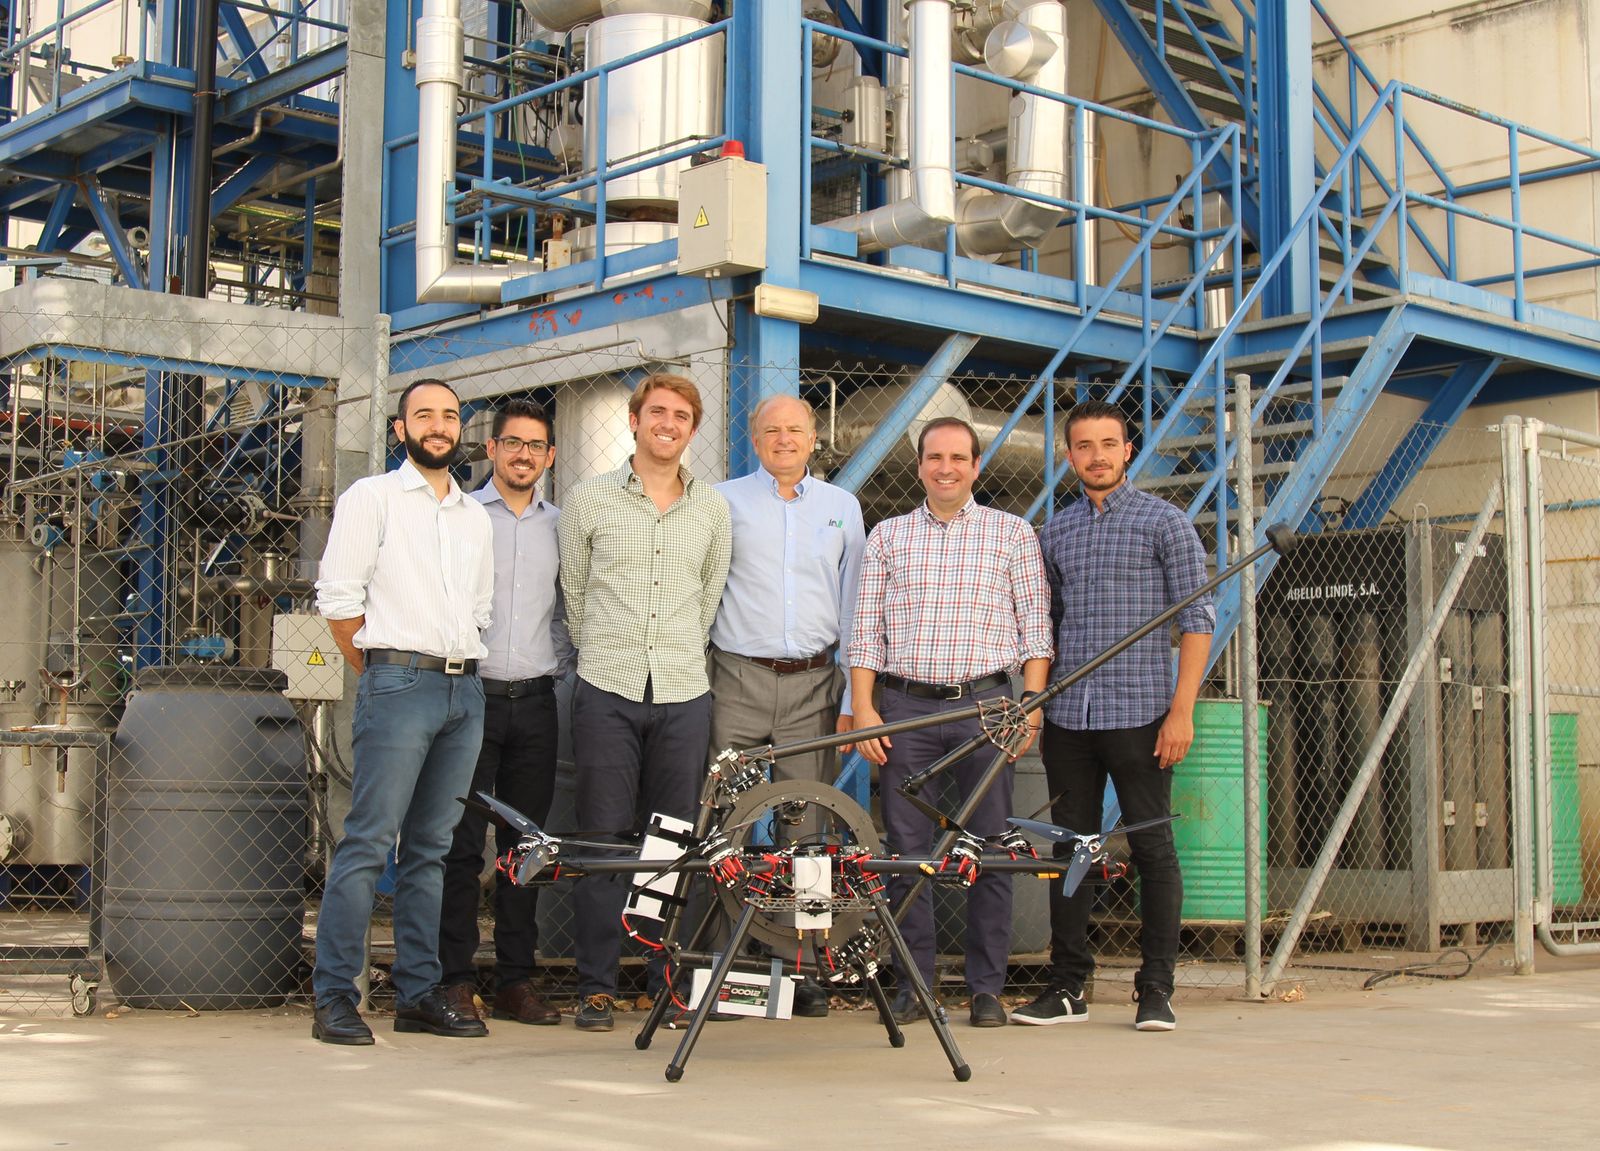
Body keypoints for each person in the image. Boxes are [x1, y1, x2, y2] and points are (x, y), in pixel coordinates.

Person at [1014, 399, 1213, 1033]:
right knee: (1070, 849)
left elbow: (1196, 621)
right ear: (1068, 456)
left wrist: (1181, 711)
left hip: (1142, 711)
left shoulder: (1167, 523)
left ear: (1128, 450)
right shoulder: (1056, 532)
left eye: (1108, 444)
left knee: (1153, 847)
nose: (1096, 456)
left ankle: (1156, 989)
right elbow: (1043, 626)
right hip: (1070, 715)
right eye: (1083, 446)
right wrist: (1037, 706)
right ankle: (1068, 986)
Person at [849, 417, 1052, 1029]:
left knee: (988, 849)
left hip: (989, 709)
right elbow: (865, 633)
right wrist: (864, 708)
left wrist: (1031, 704)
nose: (946, 467)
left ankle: (986, 988)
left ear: (976, 466)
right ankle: (916, 984)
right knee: (908, 852)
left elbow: (1034, 626)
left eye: (958, 457)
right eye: (934, 457)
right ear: (919, 468)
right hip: (906, 709)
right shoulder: (887, 537)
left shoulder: (1012, 535)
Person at [311, 378, 494, 1045]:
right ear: (401, 429)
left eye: (450, 415)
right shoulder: (374, 498)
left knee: (433, 851)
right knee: (366, 841)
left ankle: (418, 994)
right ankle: (334, 996)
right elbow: (339, 601)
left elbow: (478, 609)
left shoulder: (474, 516)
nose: (439, 425)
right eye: (425, 415)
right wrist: (387, 673)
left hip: (462, 693)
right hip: (398, 683)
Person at [557, 372, 732, 1033]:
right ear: (634, 420)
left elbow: (707, 599)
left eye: (682, 414)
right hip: (607, 687)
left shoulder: (711, 509)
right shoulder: (589, 500)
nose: (668, 422)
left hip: (684, 692)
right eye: (657, 411)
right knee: (603, 839)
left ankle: (666, 981)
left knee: (670, 842)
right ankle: (597, 987)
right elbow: (574, 595)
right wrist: (609, 652)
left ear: (692, 428)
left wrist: (673, 653)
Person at [710, 393, 866, 1018]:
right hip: (736, 681)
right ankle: (724, 967)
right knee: (726, 827)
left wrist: (855, 694)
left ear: (812, 438)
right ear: (755, 438)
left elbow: (856, 603)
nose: (783, 439)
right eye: (771, 430)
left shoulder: (841, 508)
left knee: (809, 835)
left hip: (813, 686)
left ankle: (806, 969)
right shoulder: (722, 502)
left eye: (794, 430)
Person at [438, 399, 574, 1028]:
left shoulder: (562, 526)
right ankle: (456, 979)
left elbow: (570, 611)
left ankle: (516, 982)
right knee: (462, 845)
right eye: (512, 443)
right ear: (490, 449)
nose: (524, 455)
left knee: (530, 846)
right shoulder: (462, 517)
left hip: (538, 702)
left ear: (549, 457)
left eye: (536, 446)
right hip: (471, 698)